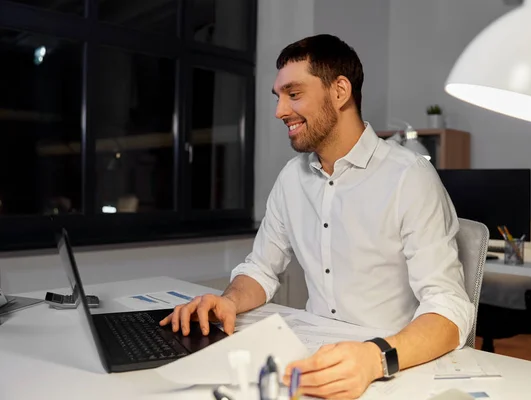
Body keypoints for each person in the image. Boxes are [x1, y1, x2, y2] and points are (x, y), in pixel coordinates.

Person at [160, 34, 474, 399]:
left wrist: (374, 358)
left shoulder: (410, 177)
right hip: (313, 359)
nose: (279, 111)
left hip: (389, 366)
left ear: (340, 91)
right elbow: (261, 268)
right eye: (278, 97)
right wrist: (228, 301)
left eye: (293, 95)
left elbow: (449, 307)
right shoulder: (292, 178)